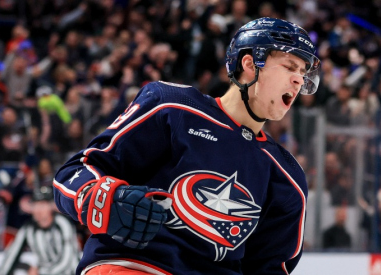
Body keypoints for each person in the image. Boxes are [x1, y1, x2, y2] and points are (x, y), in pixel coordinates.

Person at [53, 17, 320, 274]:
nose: (298, 80)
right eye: (289, 66)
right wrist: (103, 197)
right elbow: (76, 171)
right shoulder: (172, 107)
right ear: (250, 63)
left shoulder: (288, 177)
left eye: (302, 72)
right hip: (133, 267)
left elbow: (268, 268)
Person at [0, 186, 80, 275]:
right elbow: (12, 254)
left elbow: (67, 260)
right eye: (35, 205)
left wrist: (41, 271)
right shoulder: (29, 228)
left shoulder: (63, 224)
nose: (38, 210)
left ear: (50, 206)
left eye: (42, 205)